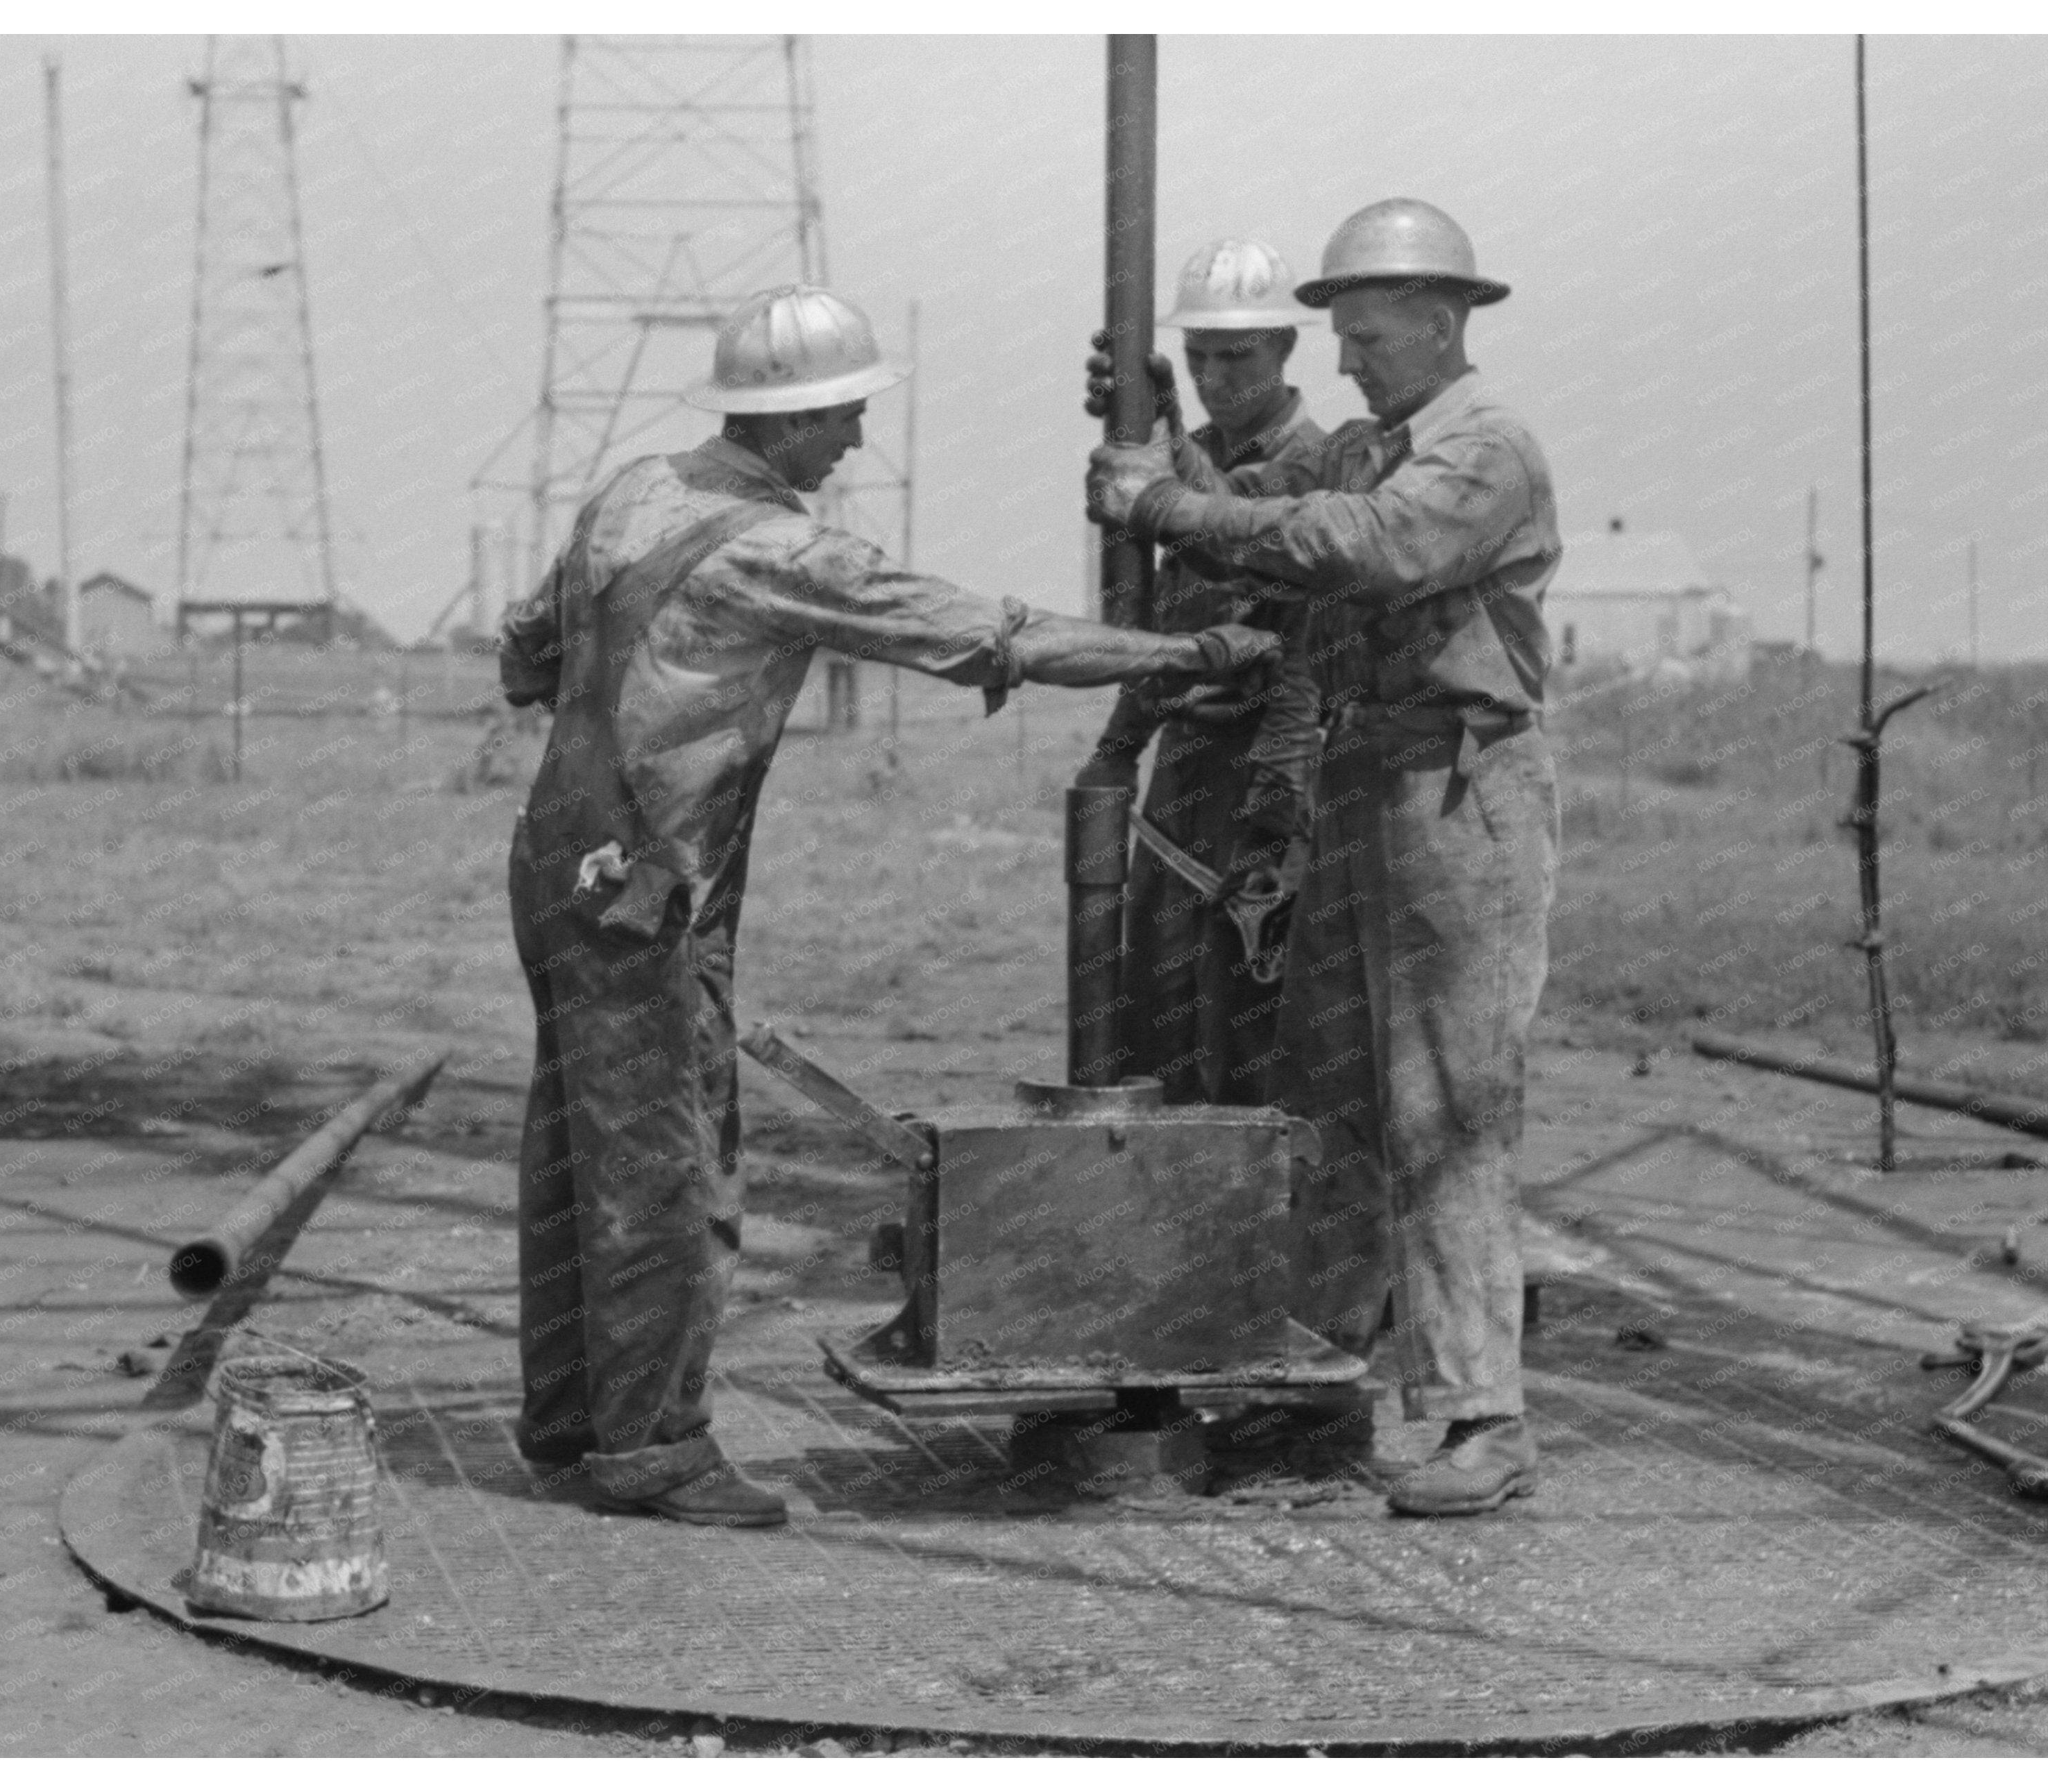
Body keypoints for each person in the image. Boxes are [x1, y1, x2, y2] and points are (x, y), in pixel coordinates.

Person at [502, 283, 1283, 1529]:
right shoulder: (775, 548)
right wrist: (1185, 656)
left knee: (574, 1145)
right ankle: (653, 1447)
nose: (856, 441)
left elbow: (522, 650)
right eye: (842, 419)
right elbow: (982, 633)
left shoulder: (630, 494)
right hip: (650, 884)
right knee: (667, 1160)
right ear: (786, 421)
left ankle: (568, 1421)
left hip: (557, 861)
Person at [1086, 198, 1563, 1517]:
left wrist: (1166, 500)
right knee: (1331, 1100)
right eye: (1336, 338)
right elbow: (1273, 504)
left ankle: (1483, 1416)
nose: (1342, 359)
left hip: (1457, 794)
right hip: (1367, 784)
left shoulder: (1479, 452)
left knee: (1447, 1109)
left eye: (1362, 337)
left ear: (1441, 320)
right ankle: (1315, 1397)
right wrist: (1152, 432)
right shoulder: (1376, 442)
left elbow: (1355, 547)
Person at [1074, 238, 1326, 1108]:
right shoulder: (1195, 448)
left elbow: (1238, 540)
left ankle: (1260, 1217)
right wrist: (1119, 747)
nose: (1217, 376)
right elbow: (1165, 617)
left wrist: (1164, 435)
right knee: (1156, 1001)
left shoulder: (1323, 466)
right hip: (1183, 771)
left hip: (1268, 775)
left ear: (1287, 347)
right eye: (1198, 358)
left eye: (1237, 356)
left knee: (1248, 1005)